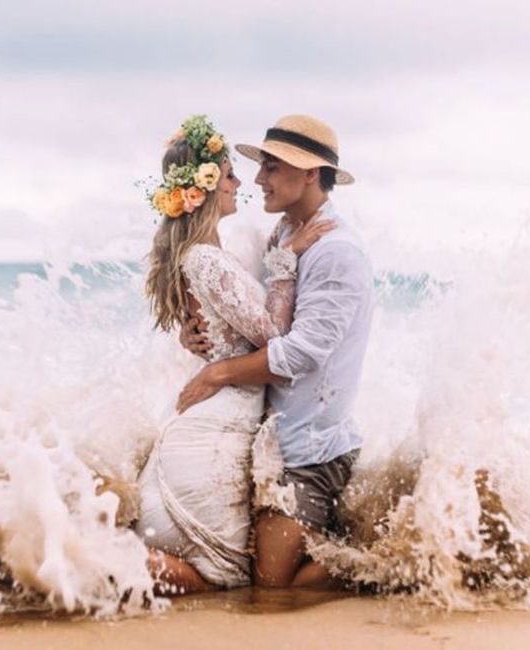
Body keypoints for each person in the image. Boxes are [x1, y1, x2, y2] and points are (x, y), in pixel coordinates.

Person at [138, 115, 334, 595]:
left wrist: (281, 246)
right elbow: (274, 333)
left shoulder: (209, 254)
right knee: (223, 579)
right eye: (228, 175)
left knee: (224, 578)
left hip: (214, 423)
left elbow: (232, 314)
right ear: (202, 189)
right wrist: (289, 259)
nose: (239, 182)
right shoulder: (205, 258)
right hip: (212, 435)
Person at [176, 115, 374, 589]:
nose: (258, 179)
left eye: (271, 167)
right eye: (260, 166)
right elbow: (261, 319)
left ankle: (384, 556)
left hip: (308, 453)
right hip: (277, 443)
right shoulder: (287, 233)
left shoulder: (335, 251)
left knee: (271, 590)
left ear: (309, 174)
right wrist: (196, 331)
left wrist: (219, 373)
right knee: (253, 578)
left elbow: (301, 353)